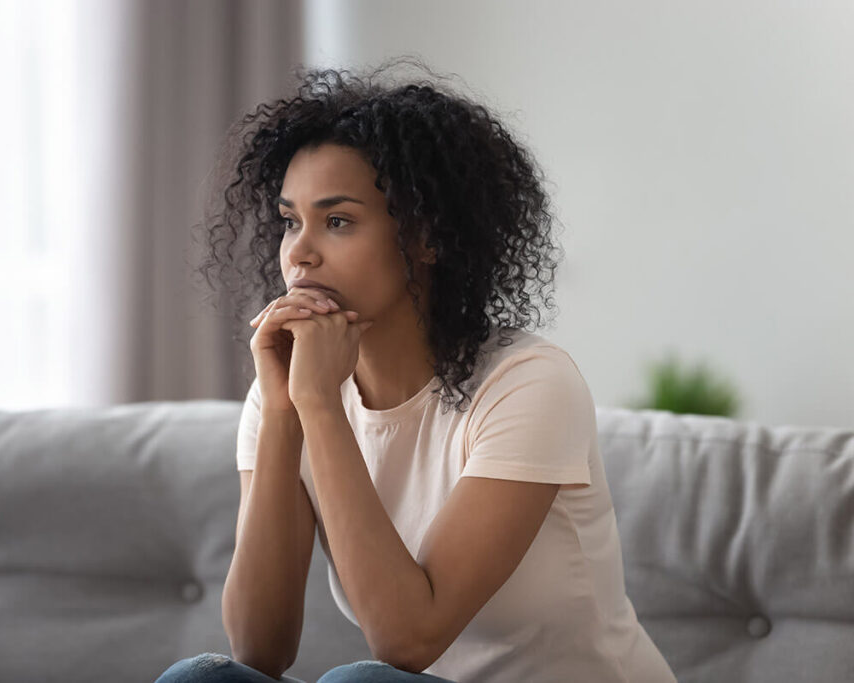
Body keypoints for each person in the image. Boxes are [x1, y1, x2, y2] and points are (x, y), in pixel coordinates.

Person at [154, 56, 677, 683]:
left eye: (337, 221)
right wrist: (285, 413)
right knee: (202, 679)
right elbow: (259, 649)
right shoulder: (290, 392)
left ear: (426, 236)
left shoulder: (529, 385)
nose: (299, 253)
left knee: (364, 682)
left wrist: (318, 406)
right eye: (290, 221)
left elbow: (407, 640)